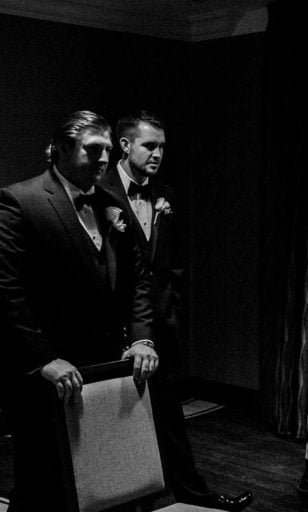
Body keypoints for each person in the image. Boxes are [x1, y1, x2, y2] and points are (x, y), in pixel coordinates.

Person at [0, 111, 157, 511]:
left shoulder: (110, 202)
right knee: (42, 484)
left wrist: (140, 337)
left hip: (105, 368)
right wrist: (42, 360)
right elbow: (6, 291)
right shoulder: (21, 200)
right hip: (48, 369)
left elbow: (138, 279)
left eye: (108, 149)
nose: (104, 159)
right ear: (61, 150)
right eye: (93, 149)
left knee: (101, 479)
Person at [100, 111, 253, 511]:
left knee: (170, 418)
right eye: (150, 145)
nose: (158, 154)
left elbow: (170, 264)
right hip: (112, 332)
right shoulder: (98, 192)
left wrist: (172, 309)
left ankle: (195, 498)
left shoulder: (165, 193)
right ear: (125, 145)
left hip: (163, 327)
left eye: (162, 147)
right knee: (115, 423)